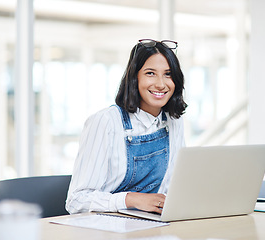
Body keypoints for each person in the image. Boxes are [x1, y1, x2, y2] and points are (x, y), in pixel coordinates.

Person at [66, 39, 187, 214]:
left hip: (153, 225)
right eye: (150, 73)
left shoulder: (174, 121)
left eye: (168, 74)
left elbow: (174, 188)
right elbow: (76, 201)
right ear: (134, 78)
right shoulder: (105, 122)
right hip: (107, 229)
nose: (161, 84)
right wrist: (131, 199)